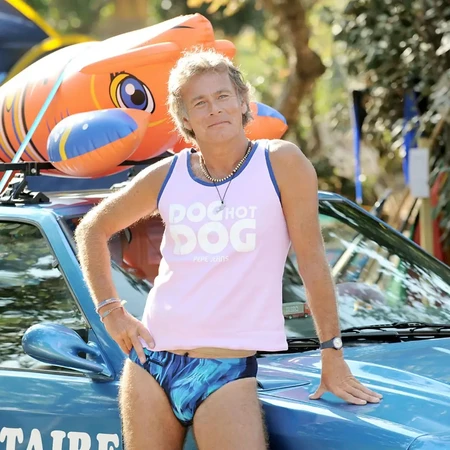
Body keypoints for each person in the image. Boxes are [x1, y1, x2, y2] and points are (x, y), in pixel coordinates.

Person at [75, 48, 382, 450]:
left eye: (222, 96)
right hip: (150, 360)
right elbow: (92, 228)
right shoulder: (167, 175)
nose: (214, 109)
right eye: (199, 102)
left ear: (242, 102)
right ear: (185, 118)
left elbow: (312, 263)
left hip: (226, 368)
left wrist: (332, 353)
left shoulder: (281, 162)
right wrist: (111, 311)